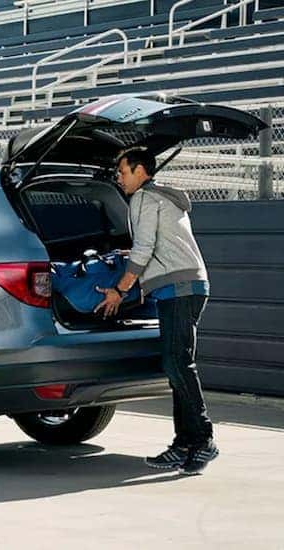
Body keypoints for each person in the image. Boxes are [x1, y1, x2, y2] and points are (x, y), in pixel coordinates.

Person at [94, 148, 217, 475]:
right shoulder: (165, 198)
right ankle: (184, 445)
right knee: (179, 365)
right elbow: (155, 244)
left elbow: (146, 248)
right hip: (189, 285)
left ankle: (203, 439)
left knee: (178, 363)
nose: (119, 178)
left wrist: (119, 290)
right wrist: (131, 252)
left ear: (139, 171)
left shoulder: (144, 199)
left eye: (122, 171)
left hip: (177, 288)